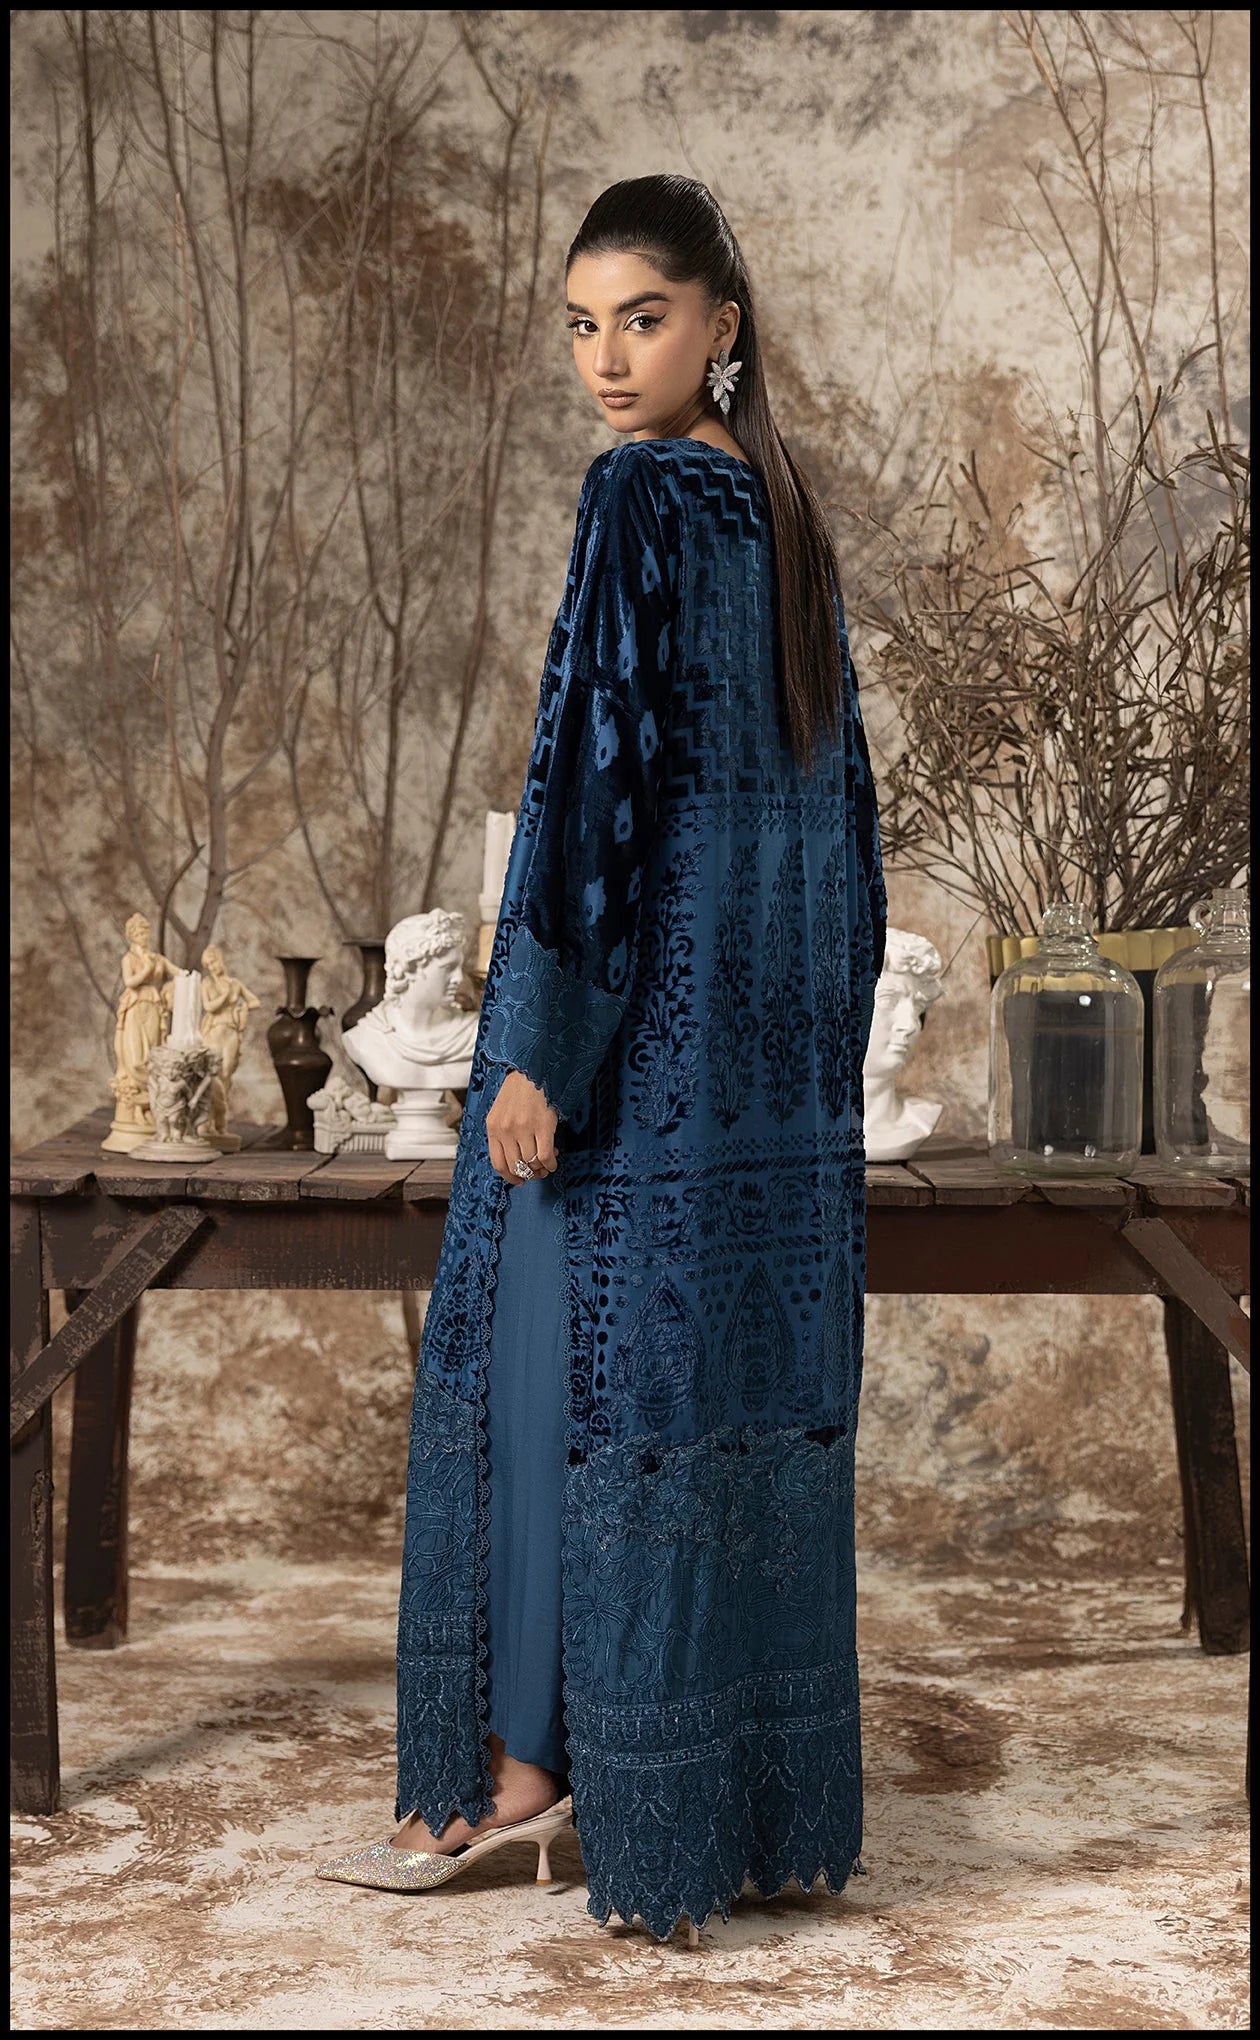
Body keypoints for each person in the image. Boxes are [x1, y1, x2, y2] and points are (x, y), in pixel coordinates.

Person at [317, 174, 887, 1947]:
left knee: (541, 1383)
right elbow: (847, 829)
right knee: (705, 1419)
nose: (606, 360)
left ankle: (521, 1775)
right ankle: (723, 1805)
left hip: (631, 1054)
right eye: (582, 325)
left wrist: (543, 1049)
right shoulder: (783, 511)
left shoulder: (640, 494)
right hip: (761, 1080)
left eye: (643, 318)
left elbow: (596, 783)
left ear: (725, 323)